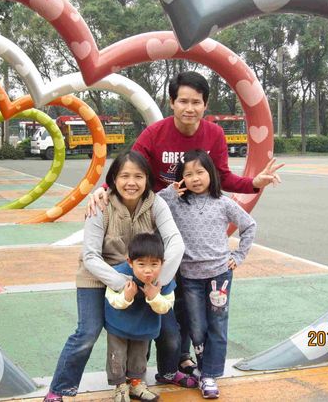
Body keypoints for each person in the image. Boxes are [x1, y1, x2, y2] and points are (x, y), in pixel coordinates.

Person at [87, 70, 282, 377]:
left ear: (205, 105)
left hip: (193, 240)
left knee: (187, 305)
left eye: (196, 102)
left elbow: (222, 176)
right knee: (149, 295)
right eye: (183, 101)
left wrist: (252, 183)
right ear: (172, 102)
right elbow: (130, 169)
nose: (189, 108)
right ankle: (138, 369)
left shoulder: (214, 134)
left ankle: (181, 359)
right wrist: (104, 190)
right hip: (158, 227)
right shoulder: (155, 133)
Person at [43, 151, 191, 402]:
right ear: (113, 179)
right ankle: (58, 389)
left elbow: (175, 242)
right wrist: (123, 283)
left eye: (138, 176)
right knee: (87, 333)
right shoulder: (100, 205)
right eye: (124, 176)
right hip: (98, 275)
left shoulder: (156, 204)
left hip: (142, 274)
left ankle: (145, 379)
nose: (131, 182)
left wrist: (157, 281)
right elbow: (90, 256)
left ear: (148, 179)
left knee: (164, 330)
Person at [158, 149, 257, 399]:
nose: (195, 178)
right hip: (189, 277)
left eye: (200, 172)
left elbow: (249, 226)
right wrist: (170, 192)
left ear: (210, 173)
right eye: (188, 174)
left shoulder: (224, 203)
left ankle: (209, 374)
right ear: (181, 178)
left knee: (218, 326)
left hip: (219, 277)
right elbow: (153, 206)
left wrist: (238, 256)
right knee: (197, 327)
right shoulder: (176, 203)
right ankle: (202, 367)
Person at [104, 233, 174, 402]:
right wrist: (127, 296)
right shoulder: (119, 274)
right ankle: (120, 386)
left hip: (144, 324)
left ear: (162, 263)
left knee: (139, 355)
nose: (148, 270)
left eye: (154, 264)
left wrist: (154, 296)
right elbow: (111, 299)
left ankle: (136, 383)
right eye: (141, 264)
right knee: (117, 355)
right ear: (130, 262)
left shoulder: (164, 279)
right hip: (119, 324)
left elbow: (166, 306)